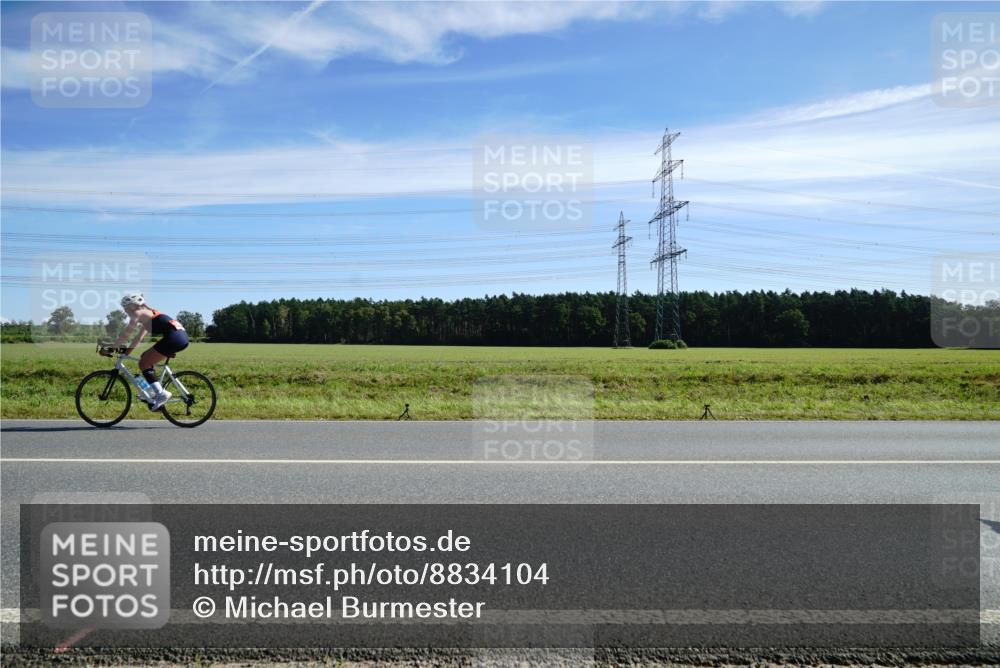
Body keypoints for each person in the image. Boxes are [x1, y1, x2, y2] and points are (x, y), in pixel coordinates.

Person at [114, 293, 189, 410]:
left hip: (174, 338)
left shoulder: (138, 313)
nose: (125, 311)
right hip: (180, 337)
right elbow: (138, 338)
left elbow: (126, 333)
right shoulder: (149, 315)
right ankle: (153, 389)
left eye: (126, 307)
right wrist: (126, 353)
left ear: (133, 306)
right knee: (144, 356)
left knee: (143, 363)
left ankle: (161, 393)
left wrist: (113, 347)